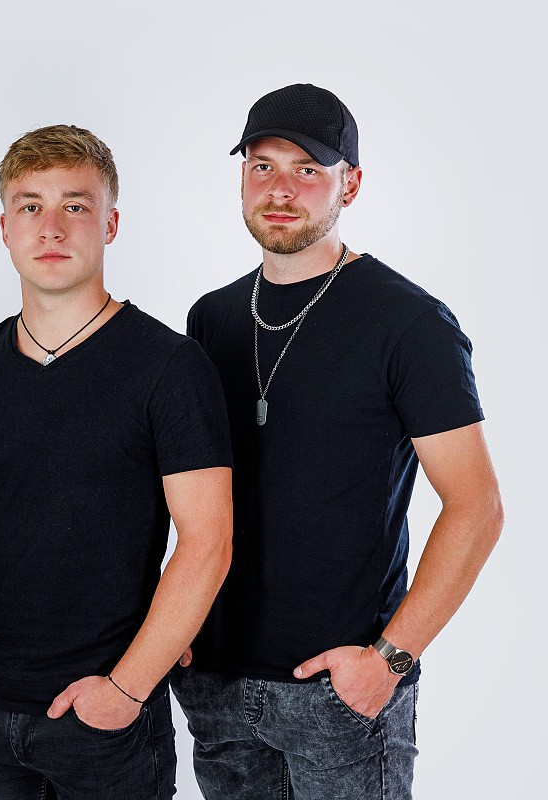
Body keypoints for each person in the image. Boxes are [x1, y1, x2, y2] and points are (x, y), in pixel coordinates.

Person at [172, 83, 504, 799]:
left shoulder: (410, 323)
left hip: (339, 691)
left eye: (307, 169)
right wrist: (175, 627)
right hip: (217, 685)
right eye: (262, 166)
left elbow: (476, 506)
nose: (280, 189)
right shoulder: (211, 319)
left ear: (349, 185)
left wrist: (390, 660)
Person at [0, 124, 234, 800]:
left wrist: (128, 689)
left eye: (76, 206)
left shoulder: (170, 367)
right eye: (30, 206)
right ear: (5, 228)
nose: (51, 227)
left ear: (111, 224)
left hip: (107, 720)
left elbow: (208, 540)